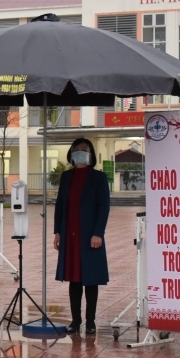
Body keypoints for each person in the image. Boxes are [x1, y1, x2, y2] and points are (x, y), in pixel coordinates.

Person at [52, 138, 110, 334]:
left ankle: (90, 322)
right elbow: (60, 205)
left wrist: (98, 233)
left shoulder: (99, 178)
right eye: (76, 150)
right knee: (74, 278)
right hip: (70, 234)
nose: (80, 153)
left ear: (91, 154)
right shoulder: (66, 177)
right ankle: (75, 321)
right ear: (71, 153)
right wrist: (57, 231)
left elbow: (104, 207)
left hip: (90, 235)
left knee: (90, 279)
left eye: (84, 150)